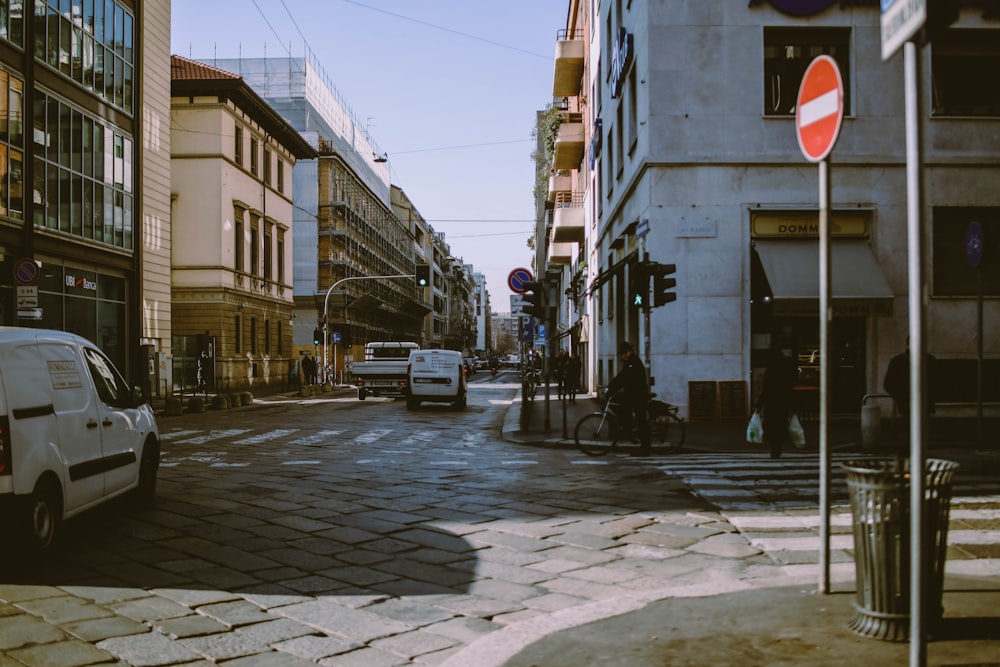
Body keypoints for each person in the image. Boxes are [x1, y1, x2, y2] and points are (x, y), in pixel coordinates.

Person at [607, 342, 651, 456]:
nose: (621, 357)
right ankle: (629, 430)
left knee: (641, 420)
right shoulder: (630, 362)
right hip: (633, 394)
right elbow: (621, 377)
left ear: (627, 352)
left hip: (638, 395)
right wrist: (611, 387)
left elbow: (624, 378)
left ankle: (645, 447)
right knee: (624, 407)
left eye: (622, 354)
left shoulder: (633, 362)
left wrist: (611, 388)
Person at [759, 341, 797, 459]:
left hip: (771, 402)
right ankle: (778, 448)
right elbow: (790, 385)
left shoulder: (770, 369)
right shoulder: (785, 367)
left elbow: (765, 389)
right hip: (782, 402)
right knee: (780, 425)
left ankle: (774, 450)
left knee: (771, 427)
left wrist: (759, 404)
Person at [883, 336, 936, 421]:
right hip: (915, 404)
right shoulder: (929, 359)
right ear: (908, 345)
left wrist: (902, 399)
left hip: (914, 404)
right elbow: (888, 384)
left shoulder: (898, 361)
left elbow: (888, 384)